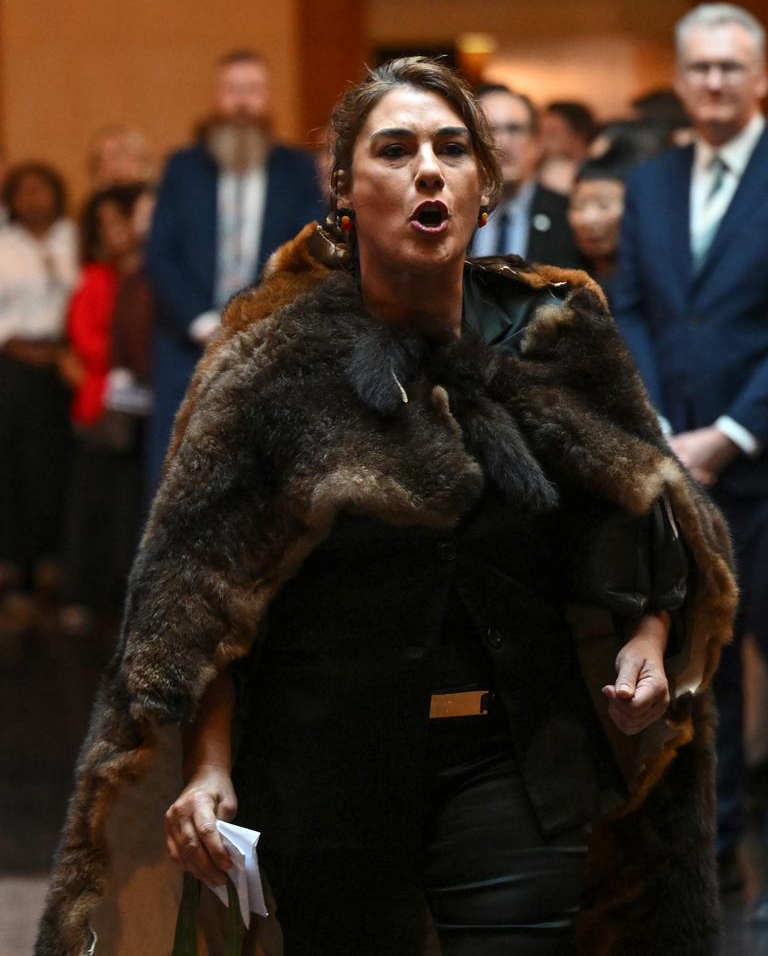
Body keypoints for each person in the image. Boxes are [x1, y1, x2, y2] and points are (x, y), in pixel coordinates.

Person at [37, 59, 736, 956]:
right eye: (395, 150)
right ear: (344, 189)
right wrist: (208, 769)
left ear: (484, 186)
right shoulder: (271, 362)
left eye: (452, 148)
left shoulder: (556, 331)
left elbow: (634, 517)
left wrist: (644, 643)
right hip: (327, 767)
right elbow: (200, 596)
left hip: (520, 757)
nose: (428, 169)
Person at [612, 2, 768, 890]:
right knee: (702, 669)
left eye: (730, 67)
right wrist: (664, 426)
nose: (714, 82)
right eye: (700, 68)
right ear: (680, 82)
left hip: (759, 454)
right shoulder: (654, 183)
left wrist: (735, 432)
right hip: (675, 464)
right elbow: (631, 305)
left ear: (760, 79)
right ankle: (716, 853)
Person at [145, 48, 325, 496]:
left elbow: (306, 255)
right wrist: (199, 321)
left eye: (253, 91)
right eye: (232, 91)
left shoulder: (297, 170)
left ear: (267, 100)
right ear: (215, 99)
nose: (242, 104)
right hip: (186, 348)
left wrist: (252, 319)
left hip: (268, 347)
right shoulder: (182, 168)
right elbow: (159, 254)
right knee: (175, 484)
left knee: (262, 486)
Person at [58, 183, 154, 631]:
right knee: (94, 507)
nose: (115, 233)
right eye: (107, 225)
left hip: (144, 406)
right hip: (105, 406)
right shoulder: (97, 279)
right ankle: (83, 594)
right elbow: (86, 339)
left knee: (132, 507)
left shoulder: (148, 275)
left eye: (121, 221)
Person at [0, 162, 77, 599]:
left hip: (65, 362)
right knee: (14, 464)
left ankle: (54, 559)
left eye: (41, 189)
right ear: (11, 199)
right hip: (13, 362)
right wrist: (20, 349)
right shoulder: (4, 243)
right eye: (23, 191)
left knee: (57, 463)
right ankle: (15, 563)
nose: (33, 199)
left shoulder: (73, 236)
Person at [470, 84, 581, 267]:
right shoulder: (455, 213)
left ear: (536, 142)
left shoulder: (566, 215)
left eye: (514, 129)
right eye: (489, 130)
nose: (502, 143)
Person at [567, 145, 635, 302]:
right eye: (579, 205)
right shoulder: (562, 282)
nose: (589, 219)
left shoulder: (651, 281)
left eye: (604, 205)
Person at [539, 100, 596, 194]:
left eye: (552, 134)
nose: (543, 142)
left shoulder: (599, 173)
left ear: (580, 133)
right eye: (541, 133)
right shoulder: (542, 171)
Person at [86, 124, 155, 190]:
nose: (108, 166)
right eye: (100, 161)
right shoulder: (98, 200)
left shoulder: (155, 195)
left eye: (115, 156)